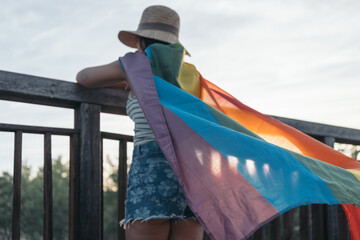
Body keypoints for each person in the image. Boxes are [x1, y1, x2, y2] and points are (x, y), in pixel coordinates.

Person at [76, 5, 204, 240]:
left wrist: (126, 78)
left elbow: (84, 77)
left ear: (140, 41)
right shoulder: (190, 76)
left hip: (152, 171)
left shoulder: (134, 66)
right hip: (192, 172)